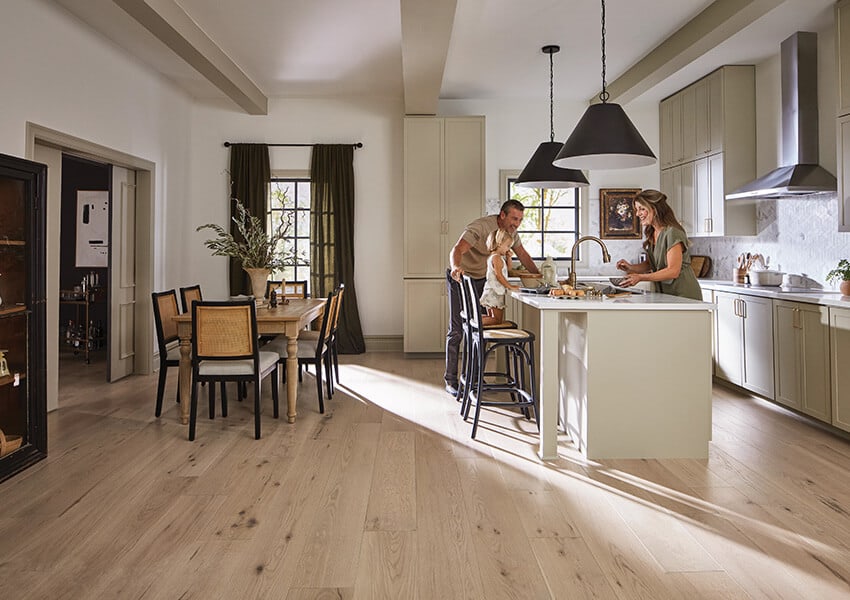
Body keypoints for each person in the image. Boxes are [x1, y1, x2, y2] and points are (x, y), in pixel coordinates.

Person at [444, 199, 539, 397]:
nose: (517, 224)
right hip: (460, 277)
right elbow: (457, 249)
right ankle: (451, 380)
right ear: (502, 215)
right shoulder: (480, 227)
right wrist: (455, 268)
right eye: (514, 218)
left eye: (520, 220)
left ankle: (475, 378)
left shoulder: (511, 233)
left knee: (479, 328)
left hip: (484, 281)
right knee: (457, 330)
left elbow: (522, 254)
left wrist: (539, 276)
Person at [615, 189, 702, 301]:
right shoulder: (652, 232)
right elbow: (653, 263)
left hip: (684, 294)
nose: (637, 214)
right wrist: (631, 268)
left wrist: (640, 277)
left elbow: (673, 271)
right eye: (637, 209)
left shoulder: (672, 233)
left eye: (642, 209)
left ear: (655, 209)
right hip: (666, 293)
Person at [479, 229, 520, 326]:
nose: (509, 249)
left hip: (494, 291)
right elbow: (499, 275)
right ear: (499, 244)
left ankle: (476, 320)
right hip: (493, 293)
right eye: (508, 246)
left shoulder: (497, 257)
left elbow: (508, 269)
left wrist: (509, 257)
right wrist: (510, 286)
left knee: (493, 319)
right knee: (497, 320)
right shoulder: (496, 258)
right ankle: (476, 321)